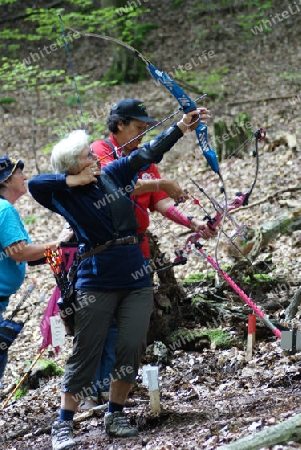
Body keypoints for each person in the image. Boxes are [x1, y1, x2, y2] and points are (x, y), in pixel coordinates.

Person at [28, 107, 208, 449]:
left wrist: (182, 127)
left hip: (136, 276)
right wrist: (71, 181)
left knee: (131, 345)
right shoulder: (65, 193)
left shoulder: (114, 174)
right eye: (85, 157)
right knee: (87, 349)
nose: (94, 158)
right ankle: (63, 425)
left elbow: (148, 152)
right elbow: (38, 183)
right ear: (74, 166)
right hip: (96, 280)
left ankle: (116, 413)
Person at [83, 98, 214, 407]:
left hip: (137, 252)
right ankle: (95, 389)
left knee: (132, 325)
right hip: (106, 253)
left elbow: (159, 200)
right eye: (138, 128)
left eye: (146, 129)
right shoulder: (99, 151)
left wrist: (194, 222)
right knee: (104, 322)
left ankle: (118, 390)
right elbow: (110, 184)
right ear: (118, 126)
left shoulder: (145, 161)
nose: (142, 134)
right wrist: (161, 180)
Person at [0, 156, 70, 386]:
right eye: (20, 173)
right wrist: (58, 244)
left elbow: (28, 255)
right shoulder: (4, 209)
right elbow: (19, 253)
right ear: (7, 179)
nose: (25, 177)